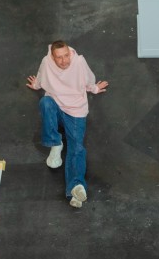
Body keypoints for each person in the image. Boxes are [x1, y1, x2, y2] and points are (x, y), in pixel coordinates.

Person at [26, 41, 108, 209]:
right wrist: (36, 85)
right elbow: (41, 79)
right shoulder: (46, 62)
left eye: (66, 56)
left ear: (69, 54)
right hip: (56, 106)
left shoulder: (79, 62)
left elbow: (88, 81)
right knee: (45, 102)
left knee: (76, 147)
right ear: (52, 57)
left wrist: (95, 89)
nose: (64, 61)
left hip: (75, 111)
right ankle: (55, 144)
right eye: (59, 58)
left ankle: (76, 186)